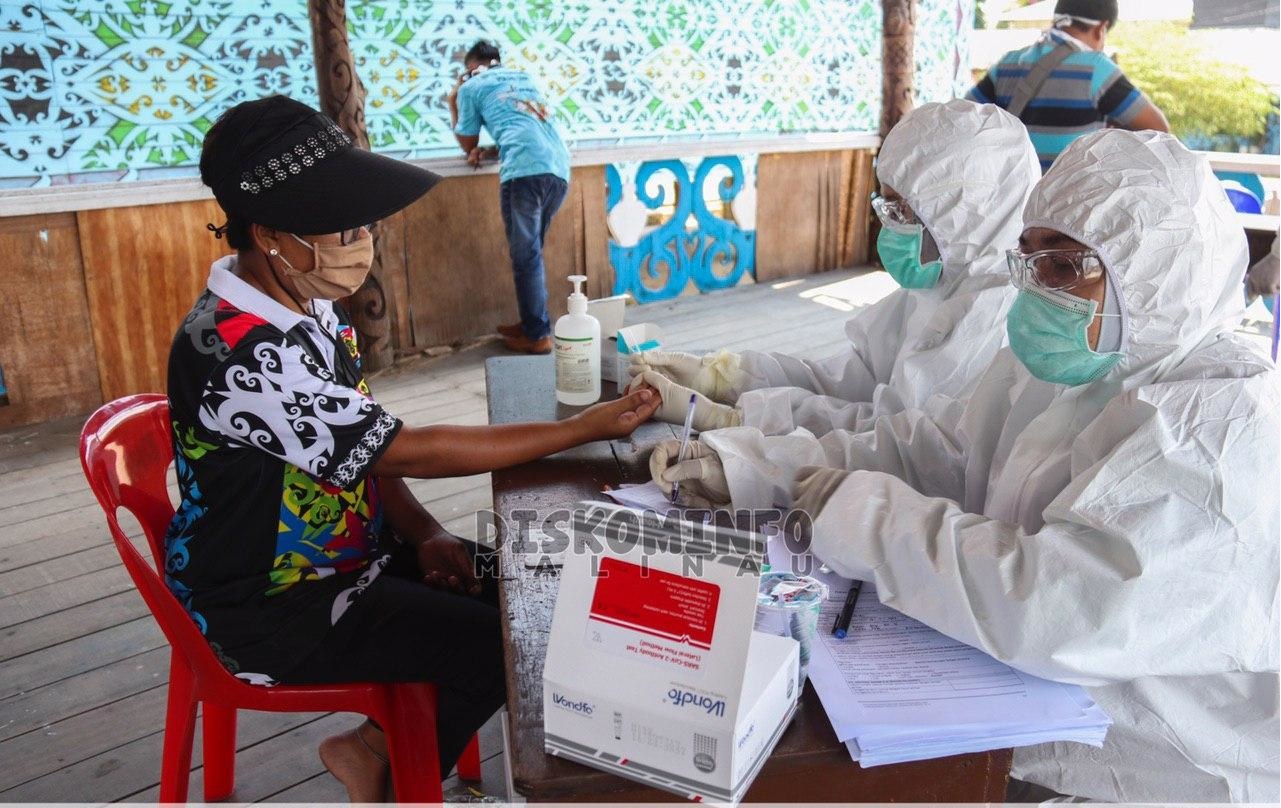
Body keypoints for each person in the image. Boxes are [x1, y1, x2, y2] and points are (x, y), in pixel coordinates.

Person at [170, 95, 658, 802]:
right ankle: (392, 774)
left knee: (534, 590)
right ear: (270, 230)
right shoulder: (241, 352)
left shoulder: (304, 303)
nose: (362, 234)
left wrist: (424, 532)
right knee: (503, 644)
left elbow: (358, 446)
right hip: (270, 603)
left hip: (350, 558)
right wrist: (581, 427)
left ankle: (376, 748)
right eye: (342, 222)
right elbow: (406, 450)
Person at [771, 130, 1276, 802]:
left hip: (1159, 765)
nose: (1036, 288)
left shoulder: (1215, 425)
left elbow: (1060, 606)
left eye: (1065, 266)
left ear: (1155, 273)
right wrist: (757, 468)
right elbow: (936, 454)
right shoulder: (1067, 364)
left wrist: (861, 515)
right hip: (1028, 706)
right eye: (1029, 259)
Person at [630, 100, 1041, 509]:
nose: (889, 226)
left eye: (902, 210)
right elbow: (844, 382)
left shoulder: (995, 319)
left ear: (961, 213)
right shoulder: (932, 290)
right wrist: (725, 377)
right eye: (885, 205)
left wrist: (741, 432)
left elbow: (897, 447)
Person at [447, 40, 572, 355]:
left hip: (524, 175)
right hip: (557, 170)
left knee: (526, 256)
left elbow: (466, 142)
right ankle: (534, 323)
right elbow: (526, 126)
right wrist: (493, 150)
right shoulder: (524, 78)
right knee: (531, 254)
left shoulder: (472, 86)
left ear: (471, 67)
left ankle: (538, 334)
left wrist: (453, 100)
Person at [967, 0, 1168, 172]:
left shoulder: (1007, 63)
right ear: (1101, 29)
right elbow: (1160, 132)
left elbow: (964, 118)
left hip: (1012, 201)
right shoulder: (1097, 68)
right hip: (1068, 205)